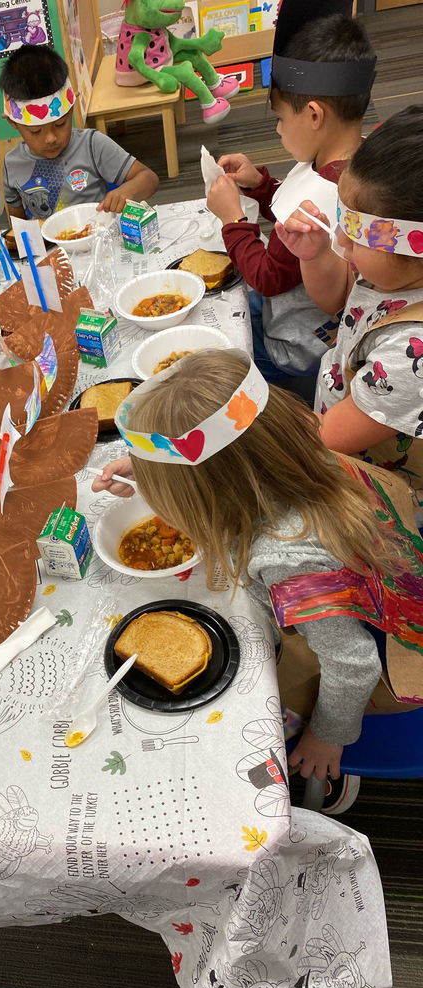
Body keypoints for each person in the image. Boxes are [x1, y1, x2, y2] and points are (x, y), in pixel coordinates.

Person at [94, 349, 423, 812]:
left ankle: (324, 775)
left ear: (208, 490)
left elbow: (354, 666)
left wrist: (327, 739)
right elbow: (230, 457)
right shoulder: (286, 454)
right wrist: (151, 466)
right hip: (366, 584)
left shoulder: (287, 557)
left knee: (234, 731)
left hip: (370, 662)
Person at [206, 9, 375, 382]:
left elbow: (267, 276)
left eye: (280, 118)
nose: (279, 131)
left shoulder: (321, 202)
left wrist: (233, 220)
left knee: (219, 352)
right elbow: (291, 200)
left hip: (292, 348)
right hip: (296, 319)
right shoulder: (356, 160)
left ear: (314, 115)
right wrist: (260, 185)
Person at [276, 105, 423, 511]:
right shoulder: (394, 273)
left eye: (357, 233)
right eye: (342, 219)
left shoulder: (413, 352)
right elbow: (341, 300)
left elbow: (324, 437)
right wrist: (314, 255)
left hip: (376, 487)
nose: (341, 239)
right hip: (339, 407)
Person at [0, 45, 158, 219]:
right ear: (13, 122)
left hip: (97, 239)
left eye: (60, 124)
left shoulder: (92, 145)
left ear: (72, 106)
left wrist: (129, 190)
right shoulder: (12, 164)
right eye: (35, 131)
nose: (51, 138)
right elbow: (17, 225)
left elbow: (149, 178)